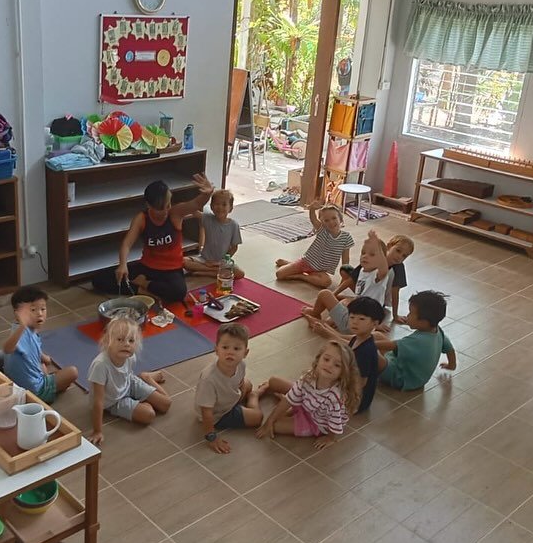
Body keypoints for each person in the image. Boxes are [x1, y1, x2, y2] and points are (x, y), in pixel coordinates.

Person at [92, 173, 215, 303]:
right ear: (149, 205)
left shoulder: (175, 213)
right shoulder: (141, 218)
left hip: (171, 270)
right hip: (147, 267)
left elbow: (195, 203)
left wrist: (207, 193)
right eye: (160, 208)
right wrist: (123, 265)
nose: (165, 210)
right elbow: (126, 244)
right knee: (99, 279)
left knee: (179, 292)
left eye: (168, 205)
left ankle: (144, 285)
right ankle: (143, 290)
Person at [256, 341, 360, 449]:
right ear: (318, 359)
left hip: (316, 423)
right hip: (307, 404)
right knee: (274, 381)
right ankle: (292, 408)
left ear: (343, 372)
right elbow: (289, 399)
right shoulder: (309, 377)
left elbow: (335, 422)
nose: (329, 365)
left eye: (337, 365)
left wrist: (330, 438)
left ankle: (292, 410)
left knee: (275, 426)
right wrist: (270, 419)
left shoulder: (335, 397)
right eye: (326, 359)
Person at [87, 315, 171, 445]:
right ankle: (142, 393)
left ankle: (147, 377)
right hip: (114, 400)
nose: (126, 344)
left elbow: (127, 375)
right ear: (107, 341)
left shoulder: (130, 357)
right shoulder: (100, 365)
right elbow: (98, 401)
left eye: (131, 341)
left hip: (129, 383)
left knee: (166, 403)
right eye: (120, 339)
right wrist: (97, 431)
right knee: (149, 415)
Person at [301, 230, 389, 334]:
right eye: (363, 253)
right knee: (346, 301)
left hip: (353, 323)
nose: (365, 256)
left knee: (325, 294)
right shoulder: (362, 270)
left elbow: (384, 268)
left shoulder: (377, 275)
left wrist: (376, 245)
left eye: (372, 254)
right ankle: (330, 323)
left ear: (382, 259)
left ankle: (316, 315)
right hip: (360, 323)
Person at [195, 324, 264, 454]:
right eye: (225, 347)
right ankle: (255, 396)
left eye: (236, 348)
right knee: (258, 417)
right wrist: (211, 437)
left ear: (245, 353)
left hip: (228, 398)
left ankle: (245, 399)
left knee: (247, 384)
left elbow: (240, 382)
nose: (230, 352)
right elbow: (206, 412)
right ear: (216, 350)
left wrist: (242, 391)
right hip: (218, 413)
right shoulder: (208, 379)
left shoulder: (241, 365)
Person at [3, 286, 78, 403]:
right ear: (17, 314)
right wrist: (23, 326)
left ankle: (51, 382)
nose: (39, 314)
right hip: (33, 391)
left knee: (43, 364)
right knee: (72, 372)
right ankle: (48, 393)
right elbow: (7, 349)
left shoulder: (27, 330)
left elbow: (36, 351)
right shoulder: (21, 333)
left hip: (15, 384)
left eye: (43, 309)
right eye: (32, 310)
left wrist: (44, 358)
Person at [309, 296, 384, 414]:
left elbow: (360, 384)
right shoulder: (358, 338)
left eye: (362, 319)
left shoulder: (366, 351)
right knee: (311, 381)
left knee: (307, 391)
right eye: (352, 317)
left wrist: (340, 395)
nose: (354, 321)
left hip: (355, 401)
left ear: (375, 323)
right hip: (347, 388)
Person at [378, 290, 457, 391]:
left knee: (372, 352)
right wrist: (451, 365)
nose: (407, 315)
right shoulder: (437, 331)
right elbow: (450, 349)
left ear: (424, 322)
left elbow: (391, 345)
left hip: (402, 378)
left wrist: (364, 343)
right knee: (377, 336)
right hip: (411, 372)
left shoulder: (418, 340)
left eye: (411, 313)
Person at [335, 235, 415, 326]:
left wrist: (395, 315)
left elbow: (395, 292)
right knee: (345, 270)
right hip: (365, 290)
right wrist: (334, 293)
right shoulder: (374, 257)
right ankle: (350, 298)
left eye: (404, 256)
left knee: (347, 305)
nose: (399, 256)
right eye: (398, 251)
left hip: (377, 301)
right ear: (389, 246)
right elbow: (352, 279)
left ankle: (350, 300)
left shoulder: (398, 269)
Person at [275, 201, 354, 288]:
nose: (331, 222)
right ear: (322, 223)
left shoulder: (346, 238)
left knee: (326, 282)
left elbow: (345, 260)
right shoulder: (322, 230)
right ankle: (293, 266)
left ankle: (300, 276)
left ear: (341, 219)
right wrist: (312, 209)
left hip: (320, 270)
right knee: (279, 274)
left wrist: (345, 276)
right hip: (305, 262)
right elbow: (313, 219)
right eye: (326, 220)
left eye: (334, 218)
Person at [183, 189, 245, 279]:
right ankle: (213, 272)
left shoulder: (233, 225)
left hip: (221, 262)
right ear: (211, 206)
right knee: (183, 261)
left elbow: (234, 247)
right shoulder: (207, 218)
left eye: (224, 204)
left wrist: (222, 262)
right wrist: (204, 195)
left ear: (230, 208)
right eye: (217, 204)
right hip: (204, 259)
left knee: (240, 273)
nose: (220, 207)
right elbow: (194, 212)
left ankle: (206, 272)